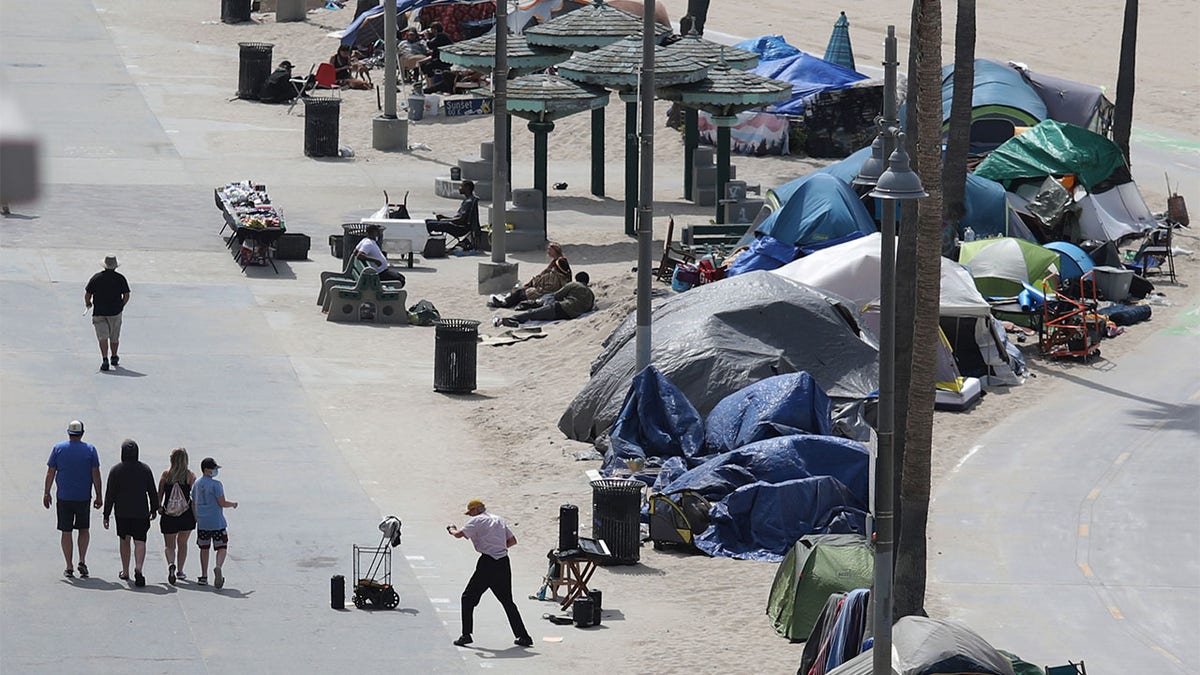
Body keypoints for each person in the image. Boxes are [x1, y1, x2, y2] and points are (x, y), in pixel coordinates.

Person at [447, 499, 533, 648]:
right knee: (507, 601)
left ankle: (466, 635)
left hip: (487, 563)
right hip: (503, 562)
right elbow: (512, 541)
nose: (470, 515)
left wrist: (451, 528)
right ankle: (523, 636)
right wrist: (497, 547)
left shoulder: (477, 520)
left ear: (475, 510)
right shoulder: (499, 519)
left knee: (467, 598)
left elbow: (459, 534)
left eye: (470, 512)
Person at [44, 420, 103, 579]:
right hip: (83, 497)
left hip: (64, 497)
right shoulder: (90, 450)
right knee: (83, 529)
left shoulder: (58, 449)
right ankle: (82, 560)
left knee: (66, 531)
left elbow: (51, 472)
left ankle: (69, 566)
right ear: (82, 433)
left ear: (69, 433)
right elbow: (95, 474)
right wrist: (99, 495)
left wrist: (46, 492)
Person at [102, 439, 159, 587]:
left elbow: (110, 494)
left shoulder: (116, 470)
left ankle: (125, 570)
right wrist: (154, 508)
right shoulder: (145, 469)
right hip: (141, 512)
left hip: (122, 512)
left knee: (124, 540)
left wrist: (106, 514)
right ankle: (138, 568)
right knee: (140, 541)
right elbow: (152, 491)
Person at [192, 457, 238, 588]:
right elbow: (222, 502)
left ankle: (203, 576)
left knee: (204, 548)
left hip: (203, 522)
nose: (215, 471)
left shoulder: (196, 484)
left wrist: (197, 517)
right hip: (217, 522)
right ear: (207, 470)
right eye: (214, 469)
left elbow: (193, 502)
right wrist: (233, 504)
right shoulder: (216, 485)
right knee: (222, 547)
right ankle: (218, 566)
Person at [493, 272, 595, 327]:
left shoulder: (574, 285)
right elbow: (588, 308)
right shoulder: (591, 294)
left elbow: (558, 295)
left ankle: (508, 319)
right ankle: (537, 305)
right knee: (538, 313)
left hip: (561, 307)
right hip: (570, 315)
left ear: (577, 279)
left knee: (532, 313)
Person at [487, 242, 571, 308]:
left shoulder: (560, 261)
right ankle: (505, 302)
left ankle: (505, 303)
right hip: (545, 286)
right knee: (520, 291)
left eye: (550, 249)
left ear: (555, 250)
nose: (548, 251)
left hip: (550, 289)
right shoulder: (555, 261)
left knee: (521, 293)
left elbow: (563, 277)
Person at [157, 447, 197, 585]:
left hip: (169, 515)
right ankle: (180, 571)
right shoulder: (190, 476)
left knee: (170, 546)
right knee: (183, 543)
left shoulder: (166, 475)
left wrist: (159, 507)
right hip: (186, 516)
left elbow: (159, 494)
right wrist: (196, 516)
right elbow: (195, 498)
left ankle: (171, 564)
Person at [85, 255, 130, 372]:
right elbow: (126, 295)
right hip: (115, 312)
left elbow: (88, 294)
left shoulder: (96, 278)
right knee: (114, 337)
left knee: (102, 337)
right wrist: (121, 306)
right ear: (115, 266)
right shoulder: (120, 278)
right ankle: (114, 356)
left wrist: (88, 304)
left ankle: (105, 359)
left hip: (99, 312)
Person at [425, 180, 481, 251]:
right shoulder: (468, 200)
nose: (459, 188)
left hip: (460, 228)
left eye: (461, 186)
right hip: (456, 224)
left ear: (467, 188)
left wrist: (445, 220)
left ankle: (427, 245)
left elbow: (461, 220)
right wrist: (444, 217)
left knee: (429, 224)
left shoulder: (469, 202)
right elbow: (458, 218)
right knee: (427, 221)